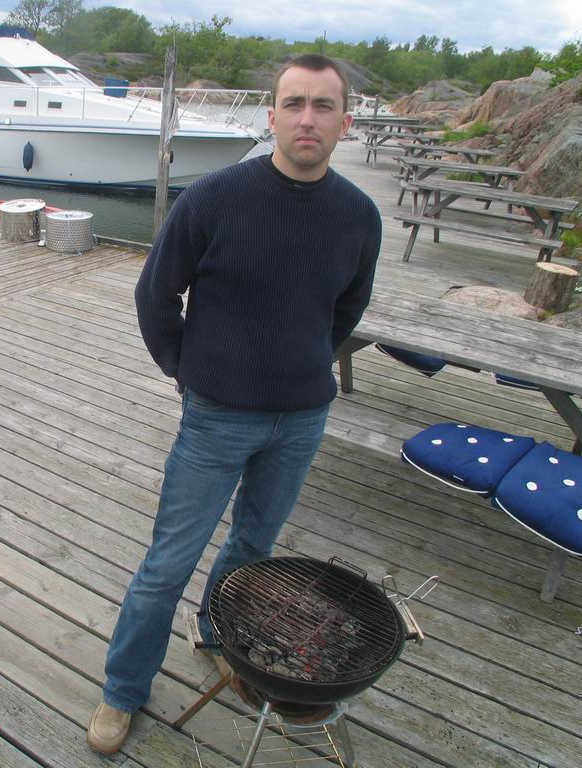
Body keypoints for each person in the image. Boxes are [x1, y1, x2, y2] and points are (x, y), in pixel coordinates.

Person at [86, 54, 382, 754]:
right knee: (168, 564)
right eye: (294, 103)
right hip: (216, 416)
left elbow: (348, 309)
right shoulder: (214, 197)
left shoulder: (359, 216)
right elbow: (156, 293)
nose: (307, 118)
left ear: (344, 122)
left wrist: (306, 363)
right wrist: (185, 368)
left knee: (253, 549)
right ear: (271, 115)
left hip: (303, 418)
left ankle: (217, 634)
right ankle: (122, 690)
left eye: (323, 105)